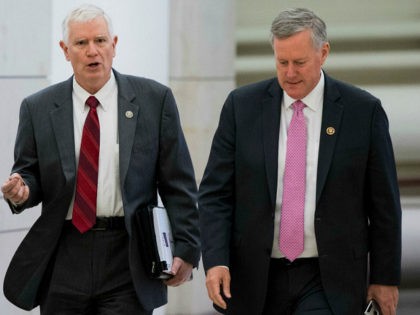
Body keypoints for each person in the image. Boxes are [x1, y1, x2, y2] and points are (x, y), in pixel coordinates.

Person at [198, 7, 401, 315]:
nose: (290, 73)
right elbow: (215, 194)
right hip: (257, 275)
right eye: (282, 62)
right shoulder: (242, 108)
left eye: (300, 62)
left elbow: (384, 204)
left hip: (328, 277)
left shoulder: (363, 112)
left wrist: (385, 278)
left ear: (324, 53)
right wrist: (215, 260)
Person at [1, 4, 200, 315]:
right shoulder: (37, 108)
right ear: (65, 50)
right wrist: (22, 189)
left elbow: (178, 183)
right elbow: (28, 173)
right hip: (63, 254)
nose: (92, 51)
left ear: (114, 45)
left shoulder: (153, 100)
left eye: (100, 41)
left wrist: (187, 249)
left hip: (127, 253)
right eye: (81, 43)